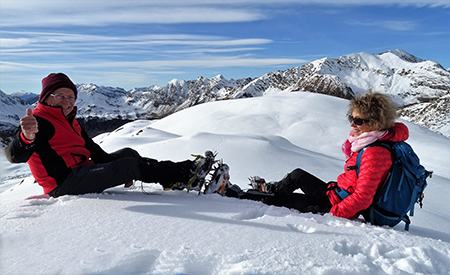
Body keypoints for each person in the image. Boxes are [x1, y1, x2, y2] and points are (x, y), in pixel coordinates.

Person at [5, 73, 212, 197]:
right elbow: (15, 155)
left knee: (128, 154)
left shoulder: (70, 120)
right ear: (46, 98)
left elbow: (94, 151)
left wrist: (114, 169)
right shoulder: (39, 122)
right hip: (63, 185)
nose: (66, 101)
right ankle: (188, 174)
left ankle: (172, 180)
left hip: (81, 171)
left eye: (70, 96)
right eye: (59, 95)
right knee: (129, 165)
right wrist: (27, 137)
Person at [216, 90, 408, 220]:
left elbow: (363, 197)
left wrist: (335, 212)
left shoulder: (375, 153)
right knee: (298, 175)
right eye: (352, 117)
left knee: (281, 200)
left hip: (333, 204)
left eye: (358, 120)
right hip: (335, 193)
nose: (352, 124)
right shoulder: (368, 144)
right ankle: (268, 190)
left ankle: (235, 195)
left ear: (375, 122)